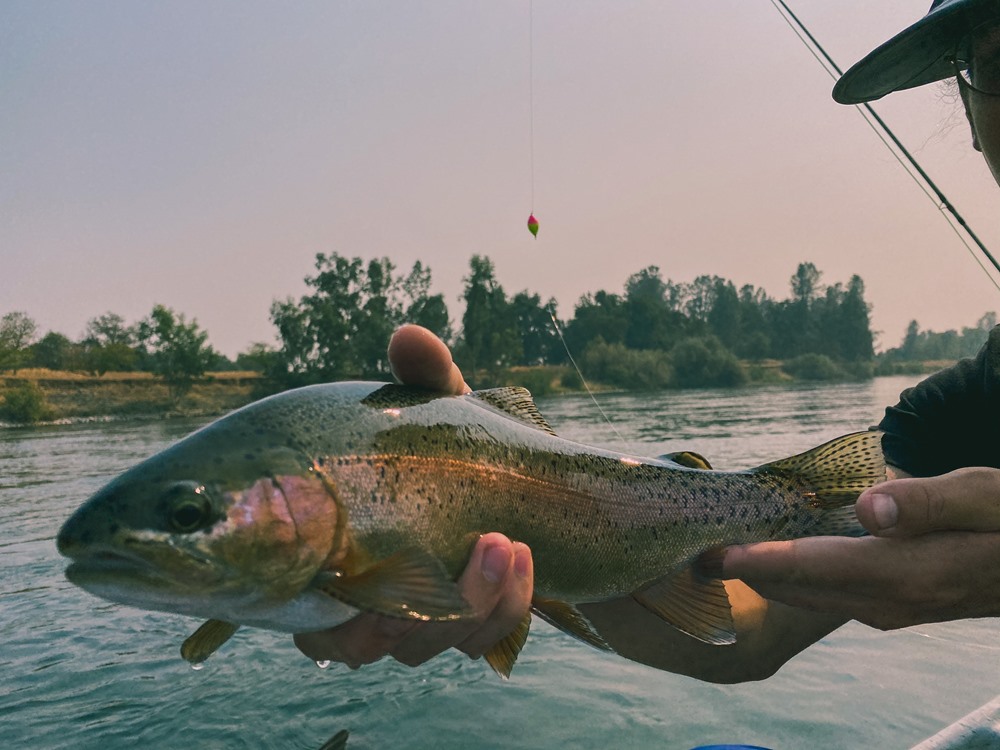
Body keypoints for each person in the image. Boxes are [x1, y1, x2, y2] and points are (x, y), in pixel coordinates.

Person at [294, 0, 1000, 682]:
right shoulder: (964, 408)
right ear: (969, 113)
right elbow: (746, 632)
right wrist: (531, 515)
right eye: (999, 61)